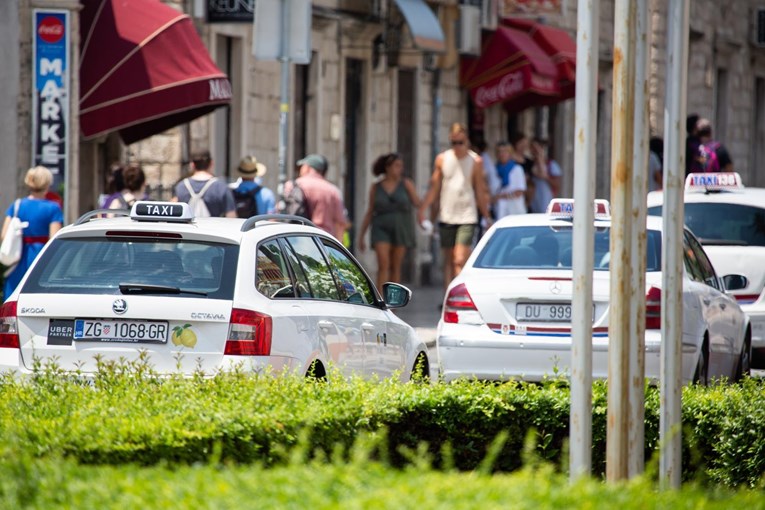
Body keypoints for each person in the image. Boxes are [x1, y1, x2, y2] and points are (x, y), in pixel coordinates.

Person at [418, 122, 492, 290]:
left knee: (459, 258)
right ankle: (448, 297)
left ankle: (459, 296)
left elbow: (479, 190)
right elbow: (434, 188)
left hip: (467, 215)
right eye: (454, 143)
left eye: (461, 142)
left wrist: (486, 216)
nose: (457, 146)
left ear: (467, 141)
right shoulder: (442, 159)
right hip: (447, 215)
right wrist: (422, 210)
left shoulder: (475, 161)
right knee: (449, 260)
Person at [358, 153, 421, 290]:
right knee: (383, 263)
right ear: (387, 168)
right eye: (397, 166)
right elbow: (370, 211)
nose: (400, 169)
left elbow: (418, 203)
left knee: (396, 266)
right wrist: (362, 236)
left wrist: (422, 216)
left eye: (401, 166)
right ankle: (381, 299)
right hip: (381, 227)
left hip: (401, 228)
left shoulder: (406, 184)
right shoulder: (376, 187)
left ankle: (393, 299)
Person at [1, 166, 63, 297]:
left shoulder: (17, 204)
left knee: (13, 297)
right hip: (41, 257)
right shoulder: (53, 208)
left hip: (17, 257)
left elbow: (4, 235)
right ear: (47, 183)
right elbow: (54, 238)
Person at [286, 153, 347, 240]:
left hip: (296, 240)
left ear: (307, 168)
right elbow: (340, 224)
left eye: (302, 166)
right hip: (324, 242)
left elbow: (279, 214)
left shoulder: (292, 186)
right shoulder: (333, 191)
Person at [173, 150, 236, 218]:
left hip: (188, 227)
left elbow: (173, 211)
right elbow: (231, 216)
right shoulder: (220, 187)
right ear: (211, 163)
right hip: (212, 227)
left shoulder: (181, 186)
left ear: (192, 165)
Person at [492, 140, 527, 219]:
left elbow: (519, 191)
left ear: (510, 153)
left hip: (515, 212)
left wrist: (501, 196)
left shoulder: (517, 169)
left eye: (505, 151)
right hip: (500, 211)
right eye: (499, 152)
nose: (502, 154)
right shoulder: (494, 170)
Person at [528, 138, 562, 213]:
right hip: (532, 203)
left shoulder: (551, 165)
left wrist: (545, 177)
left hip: (546, 202)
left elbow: (557, 184)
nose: (534, 151)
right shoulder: (529, 164)